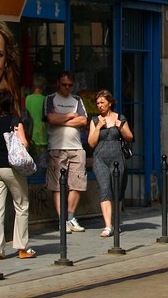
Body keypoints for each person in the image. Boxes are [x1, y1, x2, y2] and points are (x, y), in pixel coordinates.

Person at [0, 88, 35, 259]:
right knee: (21, 205)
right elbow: (24, 144)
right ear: (10, 104)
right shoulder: (14, 120)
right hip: (11, 168)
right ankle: (22, 247)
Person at [44, 71, 88, 232]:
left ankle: (70, 217)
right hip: (57, 147)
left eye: (70, 85)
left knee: (77, 184)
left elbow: (83, 120)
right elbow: (50, 118)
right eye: (64, 85)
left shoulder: (77, 100)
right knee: (57, 186)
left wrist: (61, 119)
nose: (67, 88)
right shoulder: (50, 99)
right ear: (58, 83)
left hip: (76, 147)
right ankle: (62, 220)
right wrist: (70, 115)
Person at [87, 90, 133, 237]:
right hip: (100, 158)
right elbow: (91, 143)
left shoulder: (120, 118)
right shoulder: (95, 120)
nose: (100, 106)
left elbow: (130, 137)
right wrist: (99, 127)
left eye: (102, 102)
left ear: (110, 103)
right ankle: (108, 225)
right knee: (104, 189)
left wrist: (120, 127)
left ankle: (116, 221)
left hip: (117, 158)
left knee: (117, 190)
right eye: (98, 103)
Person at [24, 75, 47, 164]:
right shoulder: (44, 99)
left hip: (30, 135)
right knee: (42, 164)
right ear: (43, 87)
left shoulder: (27, 99)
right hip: (42, 134)